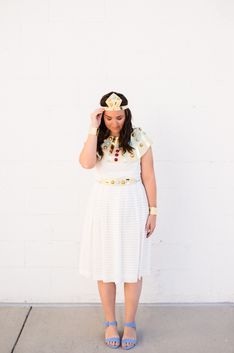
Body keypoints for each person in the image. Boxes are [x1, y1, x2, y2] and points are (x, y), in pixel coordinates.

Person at [78, 91, 157, 349]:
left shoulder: (139, 138)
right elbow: (87, 164)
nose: (114, 123)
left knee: (132, 267)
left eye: (119, 117)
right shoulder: (97, 138)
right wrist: (93, 127)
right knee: (106, 264)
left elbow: (149, 177)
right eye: (109, 118)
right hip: (104, 204)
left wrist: (153, 211)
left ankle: (131, 322)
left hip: (132, 204)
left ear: (127, 115)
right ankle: (110, 321)